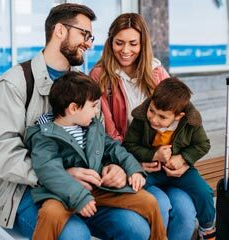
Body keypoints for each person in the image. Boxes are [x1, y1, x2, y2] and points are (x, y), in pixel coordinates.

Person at [0, 4, 158, 240]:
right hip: (26, 189)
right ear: (59, 31)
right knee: (75, 234)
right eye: (84, 34)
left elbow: (99, 139)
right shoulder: (15, 83)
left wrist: (114, 166)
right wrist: (61, 174)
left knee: (136, 228)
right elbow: (0, 152)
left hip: (85, 187)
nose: (89, 43)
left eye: (90, 36)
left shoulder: (84, 85)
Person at [90, 13, 197, 239]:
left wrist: (183, 159)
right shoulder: (100, 77)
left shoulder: (157, 72)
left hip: (164, 165)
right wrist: (137, 161)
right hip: (129, 164)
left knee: (186, 210)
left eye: (133, 43)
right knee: (160, 204)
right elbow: (109, 134)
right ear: (110, 42)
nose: (125, 50)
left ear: (143, 44)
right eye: (119, 43)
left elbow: (185, 122)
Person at [25, 71, 166, 240]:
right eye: (93, 106)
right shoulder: (45, 135)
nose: (96, 111)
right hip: (62, 193)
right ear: (73, 108)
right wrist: (79, 196)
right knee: (50, 213)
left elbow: (114, 148)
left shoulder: (93, 127)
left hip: (99, 187)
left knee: (149, 202)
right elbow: (48, 169)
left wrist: (133, 169)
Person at [123, 77, 216, 240]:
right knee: (133, 188)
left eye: (162, 117)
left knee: (204, 192)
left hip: (179, 171)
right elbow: (129, 145)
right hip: (151, 171)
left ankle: (207, 229)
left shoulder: (190, 123)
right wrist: (153, 155)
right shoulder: (141, 119)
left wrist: (183, 158)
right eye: (152, 111)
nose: (154, 119)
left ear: (178, 116)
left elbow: (203, 145)